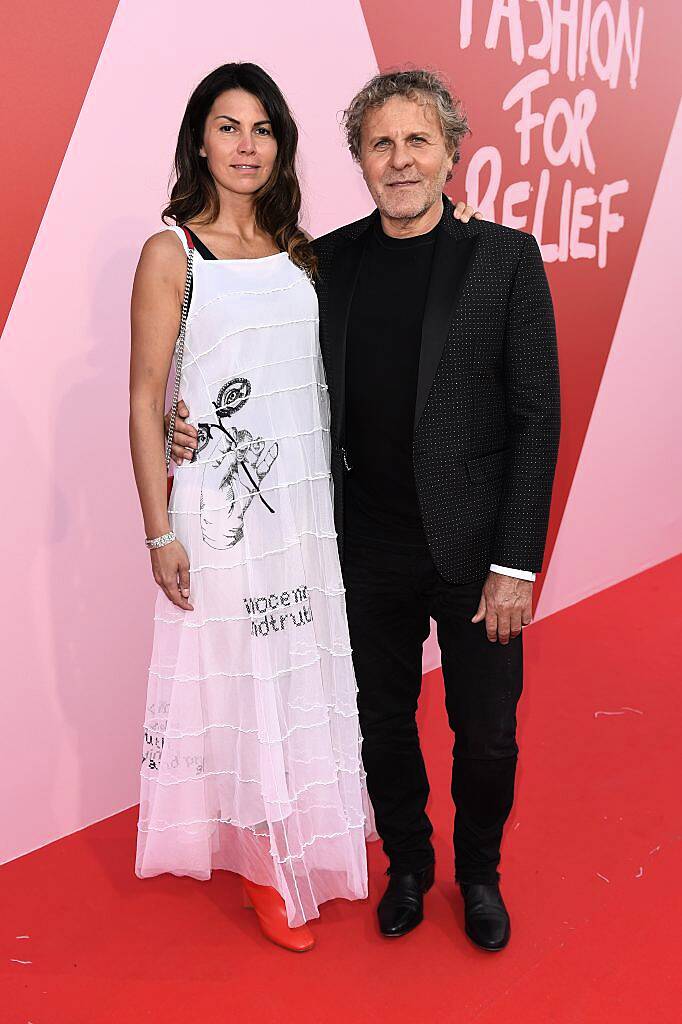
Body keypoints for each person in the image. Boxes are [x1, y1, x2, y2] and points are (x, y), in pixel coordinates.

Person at [170, 68, 560, 952]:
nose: (400, 160)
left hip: (474, 553)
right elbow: (256, 353)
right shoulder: (327, 261)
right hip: (362, 546)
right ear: (359, 159)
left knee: (488, 737)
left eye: (417, 140)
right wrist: (181, 419)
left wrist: (515, 562)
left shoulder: (505, 259)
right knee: (380, 723)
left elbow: (539, 418)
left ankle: (480, 873)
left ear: (452, 150)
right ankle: (411, 868)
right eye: (380, 143)